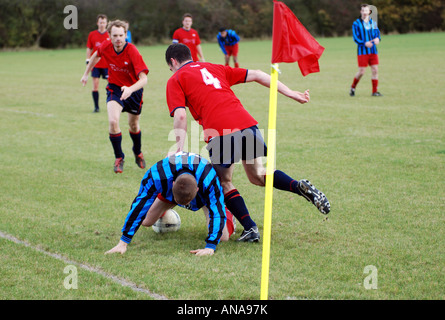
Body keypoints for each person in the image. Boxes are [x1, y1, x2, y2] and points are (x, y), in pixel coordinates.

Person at [165, 44, 330, 242]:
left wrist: (179, 150)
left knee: (223, 181)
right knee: (258, 176)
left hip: (220, 131)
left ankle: (250, 227)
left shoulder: (176, 78)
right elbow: (259, 74)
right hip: (247, 123)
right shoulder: (215, 67)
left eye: (170, 67)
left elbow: (181, 116)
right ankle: (298, 185)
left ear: (173, 62)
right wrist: (292, 93)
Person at [105, 152, 235, 256]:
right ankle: (166, 209)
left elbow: (215, 210)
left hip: (202, 197)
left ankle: (229, 213)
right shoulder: (157, 174)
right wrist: (123, 242)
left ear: (197, 190)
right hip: (171, 191)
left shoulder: (209, 179)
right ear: (172, 184)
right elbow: (140, 205)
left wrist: (210, 246)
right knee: (145, 221)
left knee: (222, 237)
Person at [81, 20, 149, 174]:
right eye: (115, 35)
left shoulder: (132, 51)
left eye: (121, 35)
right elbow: (94, 56)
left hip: (133, 90)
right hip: (115, 89)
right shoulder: (105, 46)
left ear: (126, 35)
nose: (118, 38)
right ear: (109, 36)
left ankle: (137, 152)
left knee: (134, 125)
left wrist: (130, 89)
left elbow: (144, 79)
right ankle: (119, 157)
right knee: (113, 122)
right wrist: (86, 74)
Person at [350, 4, 382, 97]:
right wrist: (364, 43)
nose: (364, 12)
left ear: (369, 12)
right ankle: (352, 87)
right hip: (362, 51)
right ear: (360, 12)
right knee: (361, 72)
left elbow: (377, 34)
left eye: (366, 11)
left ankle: (374, 91)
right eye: (363, 10)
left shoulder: (373, 23)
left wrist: (377, 39)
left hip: (373, 51)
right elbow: (355, 37)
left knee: (375, 70)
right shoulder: (356, 23)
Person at [85, 14, 110, 113]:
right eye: (100, 22)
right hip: (95, 65)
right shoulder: (92, 34)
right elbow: (89, 48)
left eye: (104, 22)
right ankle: (96, 107)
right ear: (97, 23)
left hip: (107, 65)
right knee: (95, 85)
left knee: (112, 84)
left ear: (106, 23)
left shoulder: (110, 34)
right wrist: (87, 59)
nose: (102, 24)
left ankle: (112, 104)